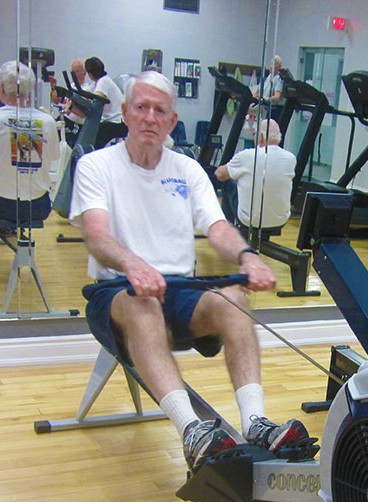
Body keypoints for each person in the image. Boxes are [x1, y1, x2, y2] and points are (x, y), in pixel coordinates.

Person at [69, 70, 309, 472]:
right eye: (141, 108)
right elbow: (96, 236)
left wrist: (247, 257)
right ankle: (192, 431)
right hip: (115, 293)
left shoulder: (188, 169)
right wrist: (134, 264)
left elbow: (217, 228)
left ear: (171, 122)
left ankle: (255, 422)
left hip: (179, 292)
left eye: (159, 110)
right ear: (125, 113)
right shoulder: (96, 165)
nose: (149, 117)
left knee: (233, 298)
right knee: (142, 304)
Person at [0, 60, 59, 225]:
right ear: (31, 88)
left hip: (3, 204)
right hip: (38, 204)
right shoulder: (48, 122)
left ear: (2, 87)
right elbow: (54, 157)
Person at [214, 118, 295, 238]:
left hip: (249, 221)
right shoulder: (291, 158)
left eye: (255, 134)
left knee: (228, 183)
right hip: (280, 221)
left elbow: (219, 175)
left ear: (261, 137)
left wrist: (234, 172)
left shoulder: (247, 155)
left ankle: (228, 234)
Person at [84, 56, 128, 148]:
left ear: (90, 74)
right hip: (111, 121)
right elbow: (88, 92)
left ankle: (93, 155)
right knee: (93, 130)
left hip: (118, 123)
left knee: (96, 136)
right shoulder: (98, 82)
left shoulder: (104, 81)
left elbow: (98, 97)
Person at [253, 56, 284, 121]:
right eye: (271, 64)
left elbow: (277, 96)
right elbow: (258, 91)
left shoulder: (279, 79)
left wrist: (265, 99)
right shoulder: (269, 76)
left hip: (273, 110)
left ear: (279, 67)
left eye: (274, 64)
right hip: (263, 108)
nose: (271, 66)